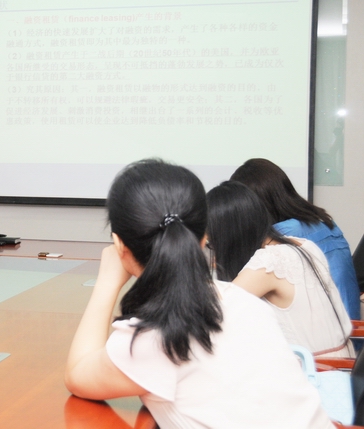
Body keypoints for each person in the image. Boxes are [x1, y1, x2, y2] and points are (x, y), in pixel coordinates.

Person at [65, 160, 332, 428]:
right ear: (204, 238)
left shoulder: (153, 337)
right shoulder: (245, 302)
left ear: (119, 245)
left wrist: (107, 281)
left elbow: (77, 375)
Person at [206, 181, 353, 356]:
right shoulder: (304, 245)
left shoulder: (269, 262)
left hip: (315, 369)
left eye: (212, 242)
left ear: (229, 236)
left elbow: (215, 309)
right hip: (343, 363)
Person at [231, 158, 360, 320]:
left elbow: (233, 301)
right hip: (351, 327)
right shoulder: (327, 223)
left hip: (320, 331)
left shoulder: (279, 238)